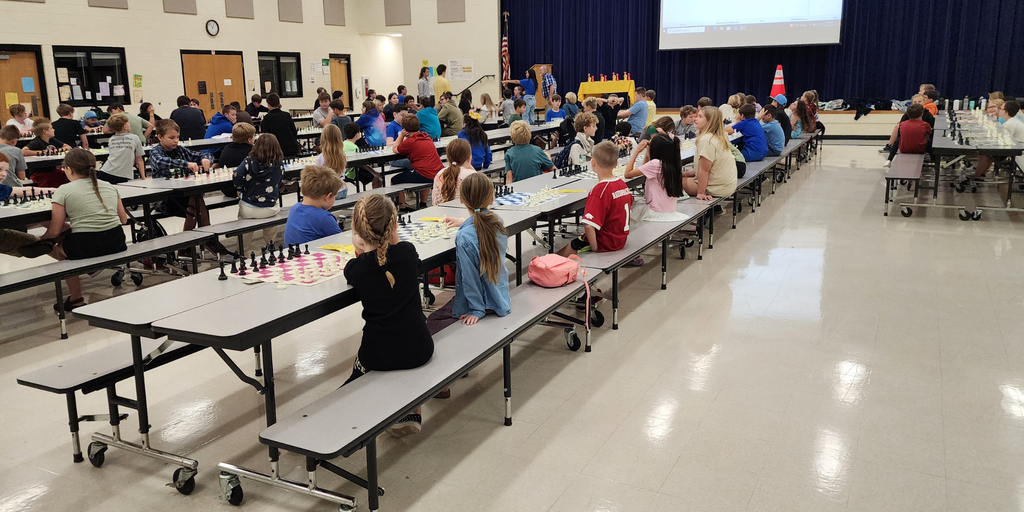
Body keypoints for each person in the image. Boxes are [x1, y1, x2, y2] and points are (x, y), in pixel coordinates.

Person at [343, 194, 434, 436]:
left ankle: (352, 415)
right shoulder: (406, 252)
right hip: (420, 349)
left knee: (357, 370)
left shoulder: (357, 268)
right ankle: (413, 409)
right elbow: (404, 257)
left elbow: (356, 269)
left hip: (377, 355)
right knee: (404, 345)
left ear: (358, 232)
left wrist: (361, 250)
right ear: (394, 226)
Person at [41, 148, 128, 312]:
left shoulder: (64, 190)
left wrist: (39, 240)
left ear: (69, 169)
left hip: (85, 245)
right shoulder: (108, 185)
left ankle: (76, 298)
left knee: (51, 247)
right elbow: (123, 219)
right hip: (116, 241)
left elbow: (54, 231)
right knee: (70, 238)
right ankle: (90, 268)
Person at [433, 172, 511, 329]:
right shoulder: (498, 222)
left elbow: (470, 277)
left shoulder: (464, 238)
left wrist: (476, 309)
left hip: (482, 302)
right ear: (491, 199)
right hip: (500, 296)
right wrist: (464, 222)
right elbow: (481, 222)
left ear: (461, 200)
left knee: (433, 320)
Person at [556, 141, 638, 263]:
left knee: (558, 256)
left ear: (592, 163)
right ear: (616, 163)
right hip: (621, 239)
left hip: (605, 243)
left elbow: (589, 225)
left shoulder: (599, 191)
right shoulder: (622, 184)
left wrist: (595, 249)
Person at [150, 119, 219, 243]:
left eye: (177, 137)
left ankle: (189, 244)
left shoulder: (180, 150)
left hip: (184, 195)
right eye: (171, 137)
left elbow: (202, 155)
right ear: (160, 137)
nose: (176, 140)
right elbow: (161, 162)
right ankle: (208, 239)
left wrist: (206, 159)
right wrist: (186, 164)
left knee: (196, 202)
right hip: (166, 198)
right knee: (197, 203)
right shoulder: (155, 152)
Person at [233, 133, 284, 250]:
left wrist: (239, 189)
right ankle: (270, 246)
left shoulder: (248, 162)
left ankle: (243, 251)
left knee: (245, 226)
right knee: (271, 222)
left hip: (249, 208)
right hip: (270, 208)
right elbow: (280, 182)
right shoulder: (279, 164)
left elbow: (236, 175)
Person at [0, 153, 57, 258]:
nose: (4, 174)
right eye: (0, 169)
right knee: (38, 244)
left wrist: (55, 190)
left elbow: (26, 190)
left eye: (6, 171)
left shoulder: (2, 188)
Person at [624, 134, 688, 222]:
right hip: (669, 211)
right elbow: (645, 170)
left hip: (656, 212)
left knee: (629, 211)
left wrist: (636, 151)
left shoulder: (655, 164)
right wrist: (647, 153)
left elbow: (627, 174)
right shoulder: (672, 163)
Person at [685, 106, 737, 200]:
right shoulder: (718, 136)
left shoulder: (706, 140)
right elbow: (709, 167)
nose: (695, 118)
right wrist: (687, 174)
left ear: (710, 121)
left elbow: (705, 170)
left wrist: (701, 193)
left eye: (700, 117)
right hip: (726, 185)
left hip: (716, 188)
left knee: (671, 181)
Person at [283, 164, 343, 246]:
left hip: (293, 255)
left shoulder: (295, 208)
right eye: (334, 197)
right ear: (328, 196)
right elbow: (340, 243)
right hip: (315, 257)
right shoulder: (325, 218)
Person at [393, 114, 444, 207]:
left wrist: (401, 135)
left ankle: (402, 206)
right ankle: (423, 203)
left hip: (425, 174)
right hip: (438, 172)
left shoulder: (410, 142)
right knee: (421, 172)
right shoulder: (426, 136)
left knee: (395, 180)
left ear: (404, 129)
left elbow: (395, 148)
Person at [882, 94, 935, 164]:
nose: (918, 103)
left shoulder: (928, 115)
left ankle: (933, 159)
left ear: (924, 102)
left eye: (920, 101)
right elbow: (901, 127)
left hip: (921, 137)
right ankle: (889, 158)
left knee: (929, 141)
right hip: (910, 138)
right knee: (898, 140)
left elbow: (932, 128)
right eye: (915, 102)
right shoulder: (908, 113)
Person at [97, 114, 144, 184]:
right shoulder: (135, 138)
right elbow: (139, 160)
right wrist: (143, 177)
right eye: (128, 122)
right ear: (125, 126)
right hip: (122, 174)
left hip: (105, 171)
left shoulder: (112, 139)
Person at [339, 123, 383, 189]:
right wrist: (373, 171)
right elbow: (362, 164)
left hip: (343, 171)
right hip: (351, 173)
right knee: (377, 177)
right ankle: (377, 195)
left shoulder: (342, 144)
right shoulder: (354, 147)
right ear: (357, 134)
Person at [432, 139, 477, 205]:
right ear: (469, 158)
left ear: (448, 158)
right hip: (465, 213)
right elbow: (481, 199)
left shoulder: (440, 173)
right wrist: (473, 170)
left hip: (440, 213)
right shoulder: (472, 175)